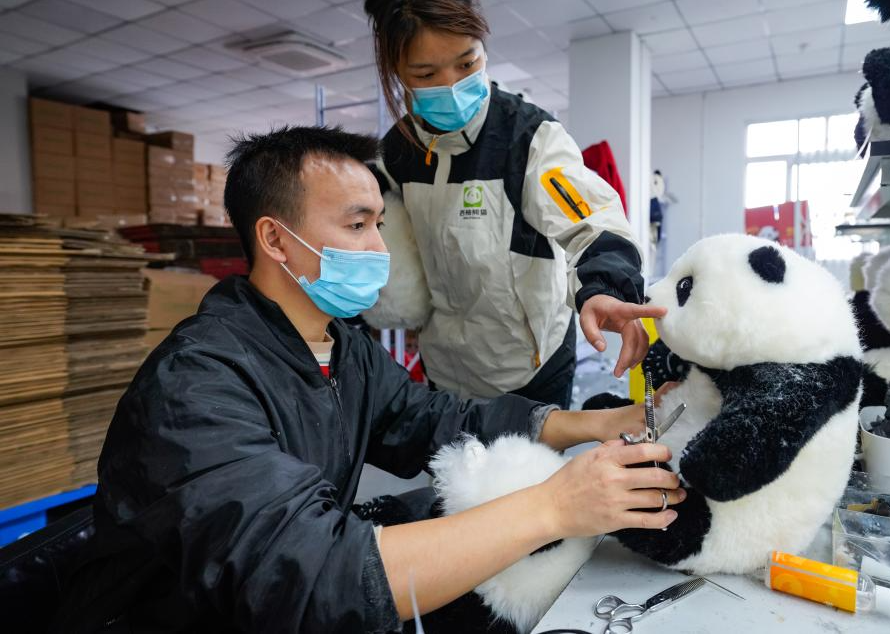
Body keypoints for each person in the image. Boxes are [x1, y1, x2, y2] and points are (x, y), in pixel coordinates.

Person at [52, 127, 681, 633]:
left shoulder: (342, 347)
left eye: (379, 224)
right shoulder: (197, 385)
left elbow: (431, 419)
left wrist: (598, 422)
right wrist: (553, 507)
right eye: (357, 226)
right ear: (275, 239)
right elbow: (311, 580)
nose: (380, 249)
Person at [365, 0, 660, 403]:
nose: (451, 85)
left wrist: (604, 287)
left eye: (467, 63)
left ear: (483, 48)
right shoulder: (396, 154)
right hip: (447, 370)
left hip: (532, 369)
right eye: (426, 75)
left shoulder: (529, 139)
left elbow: (592, 218)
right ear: (397, 73)